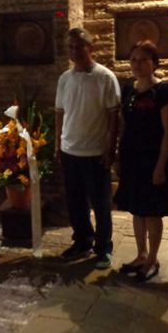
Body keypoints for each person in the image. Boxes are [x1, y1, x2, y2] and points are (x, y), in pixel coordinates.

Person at [55, 27, 120, 269]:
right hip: (70, 150)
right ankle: (82, 241)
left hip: (95, 152)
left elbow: (113, 116)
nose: (75, 51)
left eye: (79, 46)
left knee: (101, 203)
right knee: (75, 202)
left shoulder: (105, 77)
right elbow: (60, 113)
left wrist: (110, 148)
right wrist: (58, 144)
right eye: (71, 47)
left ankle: (103, 248)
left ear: (90, 48)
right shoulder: (65, 79)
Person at [115, 41, 168, 282]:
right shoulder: (128, 90)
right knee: (136, 209)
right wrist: (119, 157)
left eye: (143, 60)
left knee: (152, 211)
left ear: (154, 63)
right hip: (132, 156)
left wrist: (161, 165)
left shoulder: (163, 91)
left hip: (153, 157)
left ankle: (152, 258)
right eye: (133, 60)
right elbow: (124, 126)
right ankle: (140, 254)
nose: (137, 64)